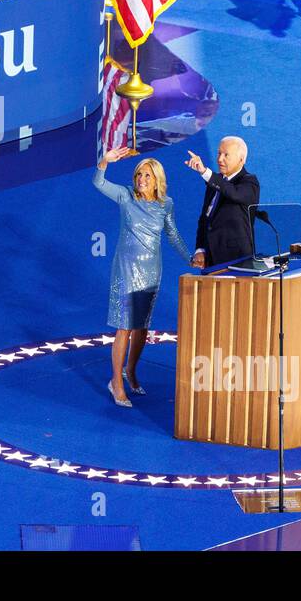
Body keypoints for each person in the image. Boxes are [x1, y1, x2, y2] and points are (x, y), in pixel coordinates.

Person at [94, 147, 192, 407]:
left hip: (151, 271)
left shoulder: (166, 204)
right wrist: (105, 161)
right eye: (139, 175)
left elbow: (172, 234)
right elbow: (99, 182)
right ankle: (116, 382)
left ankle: (131, 371)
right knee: (125, 326)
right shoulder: (126, 196)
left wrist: (190, 258)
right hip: (126, 270)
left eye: (147, 176)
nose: (141, 180)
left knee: (141, 326)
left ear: (157, 180)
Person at [185, 137, 260, 269]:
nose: (220, 159)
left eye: (226, 155)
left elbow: (233, 193)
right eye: (219, 153)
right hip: (211, 259)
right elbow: (205, 219)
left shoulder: (249, 182)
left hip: (237, 260)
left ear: (241, 159)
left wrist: (205, 172)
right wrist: (200, 249)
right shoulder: (215, 182)